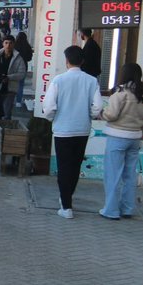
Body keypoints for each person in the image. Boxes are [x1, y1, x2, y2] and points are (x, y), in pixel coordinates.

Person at [41, 46, 102, 219]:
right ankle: (67, 198)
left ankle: (66, 205)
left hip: (62, 130)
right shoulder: (91, 81)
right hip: (82, 129)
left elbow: (49, 107)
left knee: (63, 166)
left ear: (66, 61)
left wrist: (53, 118)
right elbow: (97, 107)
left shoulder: (58, 80)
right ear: (82, 61)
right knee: (75, 166)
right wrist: (88, 115)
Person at [99, 63, 143, 220]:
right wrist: (142, 137)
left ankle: (111, 210)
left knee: (113, 175)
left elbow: (112, 115)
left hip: (117, 137)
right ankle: (128, 208)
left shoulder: (120, 94)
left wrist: (102, 113)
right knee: (130, 175)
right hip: (135, 138)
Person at [0, 35, 27, 119]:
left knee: (7, 112)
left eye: (10, 43)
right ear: (3, 44)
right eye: (6, 43)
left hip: (10, 88)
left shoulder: (18, 58)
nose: (8, 45)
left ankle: (7, 129)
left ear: (14, 44)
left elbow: (22, 73)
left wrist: (9, 77)